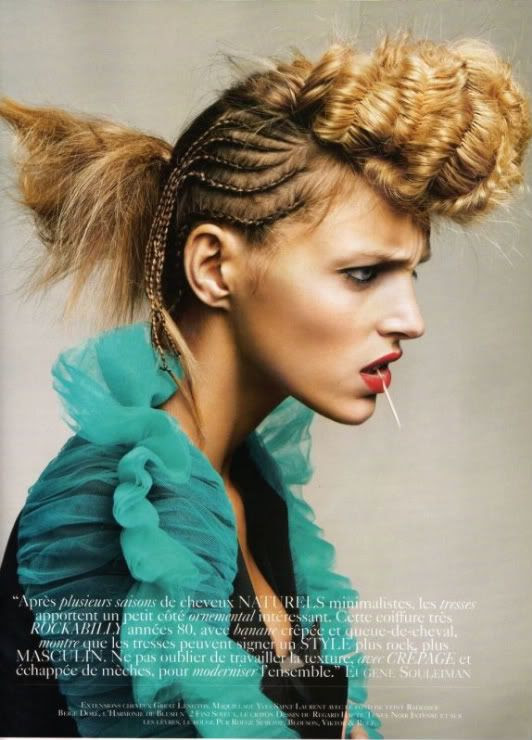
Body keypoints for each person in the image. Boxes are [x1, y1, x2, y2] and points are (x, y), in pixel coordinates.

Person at [0, 32, 530, 739]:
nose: (411, 319)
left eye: (411, 274)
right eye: (363, 274)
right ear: (214, 268)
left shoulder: (249, 482)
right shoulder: (119, 514)